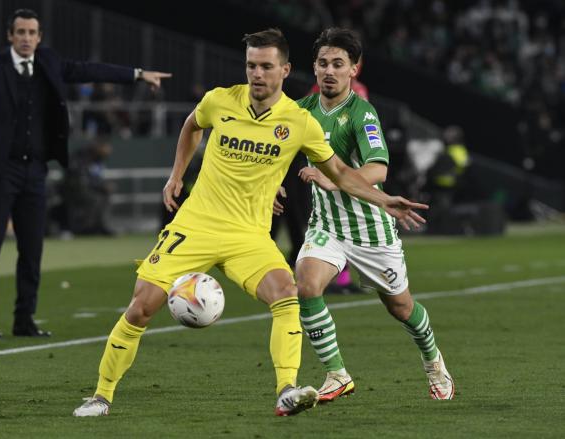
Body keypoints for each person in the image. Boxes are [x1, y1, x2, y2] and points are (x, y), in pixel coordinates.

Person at [72, 28, 427, 418]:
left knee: (288, 294)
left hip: (249, 236)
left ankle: (286, 390)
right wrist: (176, 175)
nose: (257, 74)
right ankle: (101, 396)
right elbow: (192, 125)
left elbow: (341, 173)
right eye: (251, 66)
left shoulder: (299, 121)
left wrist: (384, 200)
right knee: (142, 305)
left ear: (285, 69)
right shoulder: (219, 100)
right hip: (197, 225)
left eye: (266, 66)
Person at [0, 8, 172, 339]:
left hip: (35, 171)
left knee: (32, 249)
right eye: (20, 32)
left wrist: (136, 74)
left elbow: (87, 70)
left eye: (31, 32)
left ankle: (24, 320)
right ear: (10, 36)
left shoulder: (48, 61)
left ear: (39, 37)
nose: (26, 38)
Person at [291, 27, 454, 401]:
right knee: (307, 285)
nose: (329, 71)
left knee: (401, 307)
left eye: (338, 64)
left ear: (354, 70)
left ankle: (433, 360)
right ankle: (337, 373)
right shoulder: (300, 111)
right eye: (322, 63)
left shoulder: (362, 114)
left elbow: (378, 170)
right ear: (313, 69)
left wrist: (335, 180)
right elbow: (274, 148)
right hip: (327, 226)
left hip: (370, 230)